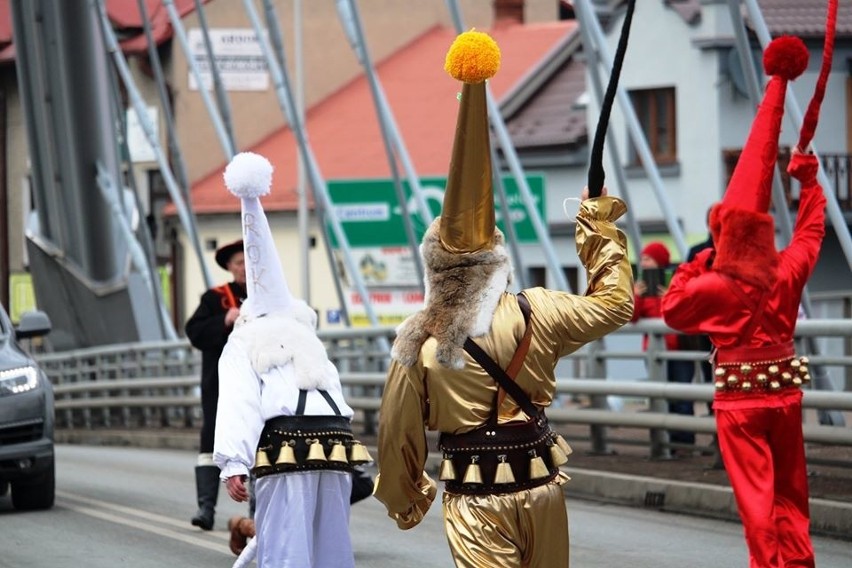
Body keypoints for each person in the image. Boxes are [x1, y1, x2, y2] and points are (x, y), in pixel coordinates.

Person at [373, 30, 634, 567]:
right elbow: (616, 304)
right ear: (496, 258)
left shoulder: (419, 340)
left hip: (476, 496)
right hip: (541, 485)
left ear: (435, 267)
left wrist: (407, 499)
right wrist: (597, 225)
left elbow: (398, 430)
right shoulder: (539, 310)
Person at [661, 36, 822, 567]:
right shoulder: (787, 269)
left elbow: (673, 308)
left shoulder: (714, 286)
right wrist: (809, 183)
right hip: (785, 393)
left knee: (756, 501)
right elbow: (810, 235)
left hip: (739, 402)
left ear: (725, 237)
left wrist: (702, 261)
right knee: (789, 496)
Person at [214, 151, 367, 568]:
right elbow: (332, 386)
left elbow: (239, 400)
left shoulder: (244, 340)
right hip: (337, 442)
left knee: (285, 542)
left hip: (287, 443)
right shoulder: (305, 333)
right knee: (330, 542)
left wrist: (233, 462)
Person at [184, 238, 246, 530]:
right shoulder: (215, 298)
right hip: (220, 386)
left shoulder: (270, 296)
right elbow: (194, 331)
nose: (245, 267)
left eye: (248, 260)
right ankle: (206, 508)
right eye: (238, 262)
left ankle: (259, 512)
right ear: (230, 267)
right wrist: (224, 320)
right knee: (211, 440)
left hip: (258, 386)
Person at [631, 241, 695, 448]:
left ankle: (685, 441)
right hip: (655, 353)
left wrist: (669, 297)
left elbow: (686, 312)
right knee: (660, 398)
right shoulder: (639, 285)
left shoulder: (676, 281)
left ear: (659, 260)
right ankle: (664, 442)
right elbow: (632, 317)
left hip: (679, 350)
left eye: (648, 258)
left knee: (683, 398)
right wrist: (636, 297)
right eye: (642, 259)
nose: (644, 263)